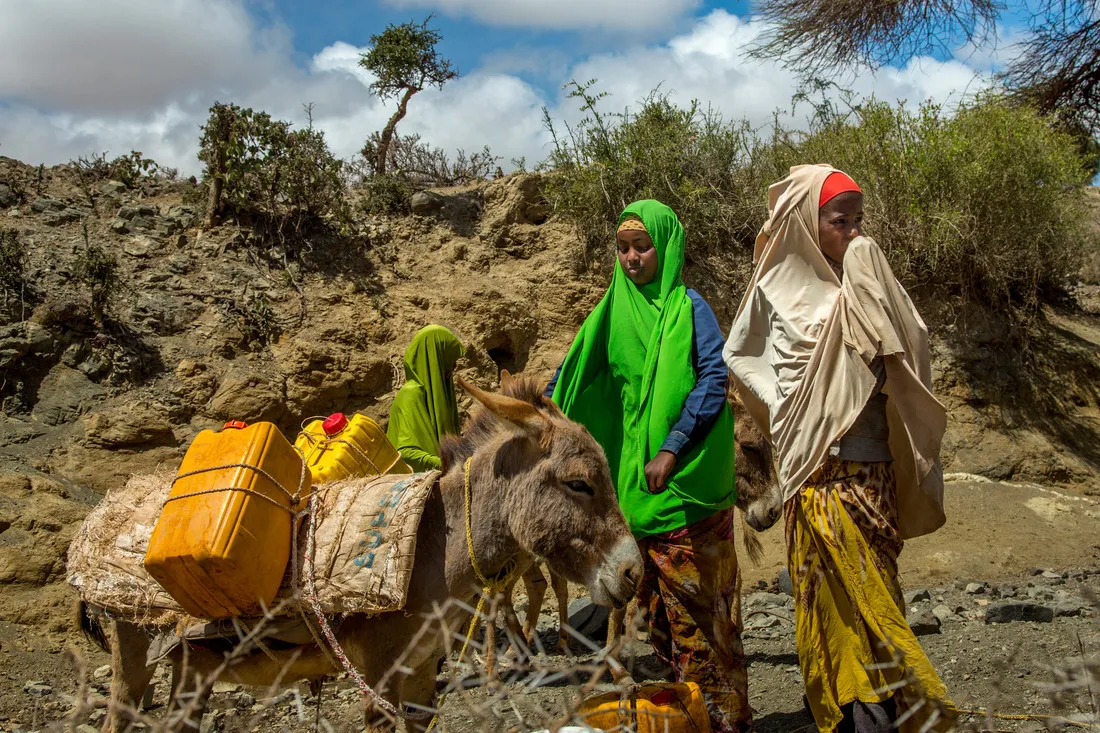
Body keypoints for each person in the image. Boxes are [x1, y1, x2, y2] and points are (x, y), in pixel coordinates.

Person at [723, 164, 953, 733]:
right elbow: (744, 359)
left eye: (858, 221)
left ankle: (889, 711)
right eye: (839, 221)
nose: (852, 232)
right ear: (807, 220)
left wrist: (866, 297)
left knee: (872, 594)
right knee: (825, 601)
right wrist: (791, 415)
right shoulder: (772, 287)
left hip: (865, 476)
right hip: (808, 476)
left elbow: (907, 352)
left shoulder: (867, 280)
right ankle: (850, 710)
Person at [545, 200, 752, 733]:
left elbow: (712, 379)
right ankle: (688, 717)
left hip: (687, 489)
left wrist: (673, 446)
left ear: (666, 247)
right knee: (661, 624)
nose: (632, 257)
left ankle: (725, 722)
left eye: (643, 246)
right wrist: (536, 426)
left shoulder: (688, 307)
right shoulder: (609, 312)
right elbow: (565, 382)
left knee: (706, 623)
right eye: (623, 248)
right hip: (635, 496)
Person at [387, 325, 465, 472]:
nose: (453, 367)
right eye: (448, 361)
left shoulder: (441, 396)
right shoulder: (410, 395)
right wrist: (448, 465)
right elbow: (406, 454)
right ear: (434, 361)